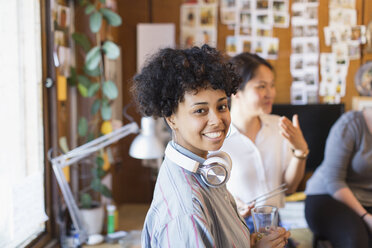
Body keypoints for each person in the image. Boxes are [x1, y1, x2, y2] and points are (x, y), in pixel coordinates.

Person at [132, 45, 290, 247]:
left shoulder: (206, 170)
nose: (217, 120)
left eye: (221, 106)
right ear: (171, 118)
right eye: (200, 111)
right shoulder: (186, 211)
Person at [220, 53, 309, 230]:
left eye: (272, 85)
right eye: (261, 86)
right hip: (234, 225)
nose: (270, 93)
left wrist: (301, 152)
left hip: (273, 223)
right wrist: (230, 203)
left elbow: (289, 188)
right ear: (236, 90)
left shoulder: (279, 125)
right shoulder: (218, 136)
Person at [305, 109, 372, 247]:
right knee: (355, 241)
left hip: (367, 199)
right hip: (328, 194)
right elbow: (333, 180)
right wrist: (366, 217)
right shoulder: (351, 124)